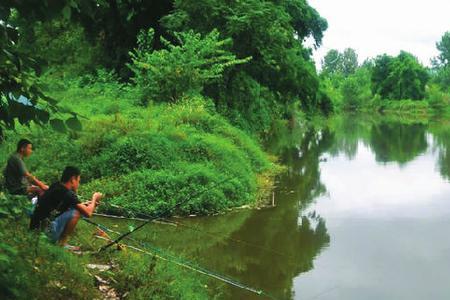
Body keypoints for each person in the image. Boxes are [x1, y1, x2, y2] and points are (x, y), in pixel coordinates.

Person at [30, 166, 103, 249]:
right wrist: (94, 198)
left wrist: (85, 204)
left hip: (35, 229)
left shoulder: (56, 185)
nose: (78, 184)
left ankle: (57, 241)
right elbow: (88, 213)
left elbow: (68, 204)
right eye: (78, 181)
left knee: (76, 208)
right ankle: (62, 243)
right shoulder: (68, 194)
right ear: (72, 179)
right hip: (45, 233)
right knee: (76, 212)